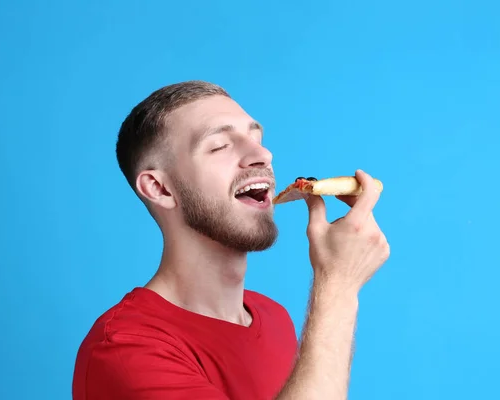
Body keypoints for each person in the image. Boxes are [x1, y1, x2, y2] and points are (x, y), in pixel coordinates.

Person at [72, 80, 390, 399]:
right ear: (160, 189)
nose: (262, 154)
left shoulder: (273, 316)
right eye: (220, 145)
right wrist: (338, 285)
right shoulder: (126, 349)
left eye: (256, 138)